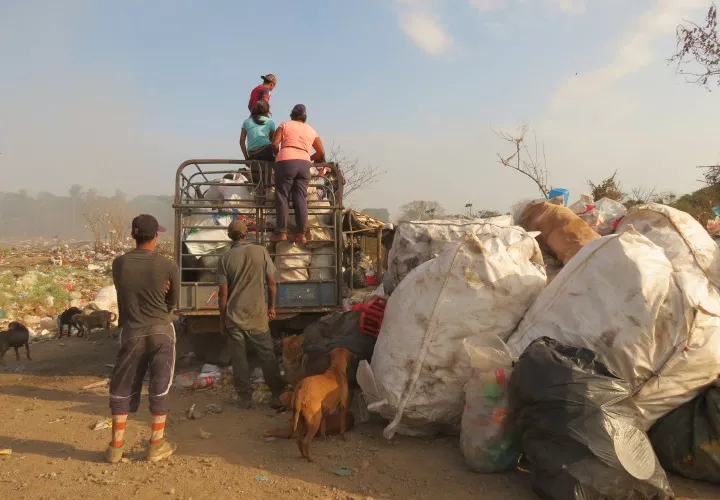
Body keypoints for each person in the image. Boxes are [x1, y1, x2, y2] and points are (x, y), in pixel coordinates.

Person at [106, 214, 179, 464]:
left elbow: (124, 291)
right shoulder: (167, 265)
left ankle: (116, 447)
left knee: (122, 385)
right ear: (156, 236)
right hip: (161, 330)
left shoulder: (119, 264)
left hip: (132, 331)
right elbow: (173, 301)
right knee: (160, 384)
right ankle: (156, 444)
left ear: (133, 236)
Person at [217, 220, 285, 409]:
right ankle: (277, 395)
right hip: (257, 314)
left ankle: (245, 397)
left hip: (234, 316)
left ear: (230, 236)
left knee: (239, 358)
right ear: (246, 233)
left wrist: (222, 320)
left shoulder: (225, 258)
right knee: (267, 354)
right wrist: (272, 307)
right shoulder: (261, 251)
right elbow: (272, 283)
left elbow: (223, 294)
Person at [271, 104, 326, 244]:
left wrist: (279, 155)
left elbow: (274, 143)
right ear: (304, 117)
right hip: (304, 164)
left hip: (286, 161)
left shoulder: (285, 124)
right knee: (300, 197)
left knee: (282, 195)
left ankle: (282, 232)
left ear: (292, 115)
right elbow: (321, 153)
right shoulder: (311, 130)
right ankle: (301, 234)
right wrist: (308, 158)